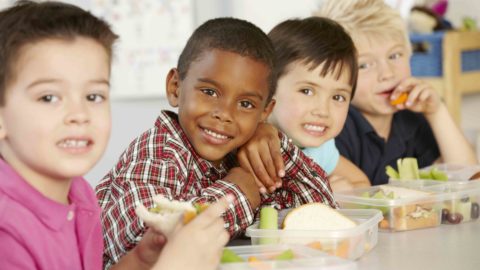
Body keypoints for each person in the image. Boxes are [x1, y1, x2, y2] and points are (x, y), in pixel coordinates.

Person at [0, 1, 230, 270]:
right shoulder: (6, 230)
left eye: (93, 96)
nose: (79, 113)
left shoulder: (80, 195)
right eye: (49, 97)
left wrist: (140, 262)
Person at [96, 17, 337, 267]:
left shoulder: (240, 151)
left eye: (246, 104)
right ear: (175, 87)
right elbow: (145, 242)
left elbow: (323, 215)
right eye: (210, 92)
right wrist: (238, 193)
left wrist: (275, 140)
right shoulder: (157, 152)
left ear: (265, 111)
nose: (224, 114)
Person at [316, 0, 478, 185]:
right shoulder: (335, 126)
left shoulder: (412, 117)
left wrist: (437, 112)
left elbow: (470, 178)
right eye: (365, 65)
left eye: (394, 56)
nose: (387, 74)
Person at [237, 17, 370, 193]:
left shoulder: (321, 150)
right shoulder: (248, 142)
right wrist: (322, 194)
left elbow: (362, 183)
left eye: (338, 97)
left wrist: (334, 192)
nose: (323, 111)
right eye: (307, 91)